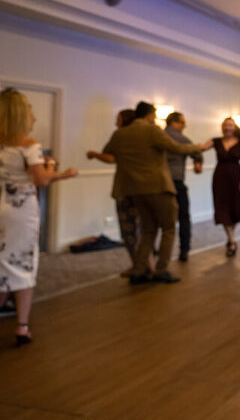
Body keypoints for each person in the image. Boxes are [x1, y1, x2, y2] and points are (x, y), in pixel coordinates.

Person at [0, 88, 78, 345]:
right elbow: (41, 180)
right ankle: (22, 326)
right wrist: (58, 170)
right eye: (31, 111)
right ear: (22, 114)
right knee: (23, 262)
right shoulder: (29, 144)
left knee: (2, 262)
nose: (33, 117)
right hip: (21, 211)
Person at [103, 101, 208, 284]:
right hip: (158, 187)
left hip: (135, 190)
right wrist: (200, 147)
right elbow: (176, 148)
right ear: (151, 115)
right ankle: (161, 269)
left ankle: (138, 270)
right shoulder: (152, 131)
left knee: (148, 230)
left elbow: (108, 153)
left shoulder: (120, 134)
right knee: (168, 228)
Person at [87, 109, 143, 276]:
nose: (115, 123)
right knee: (142, 229)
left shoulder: (120, 135)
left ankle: (137, 267)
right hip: (144, 189)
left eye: (117, 120)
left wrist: (93, 154)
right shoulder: (144, 136)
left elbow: (110, 157)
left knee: (129, 231)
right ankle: (147, 265)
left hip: (126, 189)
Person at [164, 112, 203, 262]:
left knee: (157, 221)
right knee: (183, 217)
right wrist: (198, 163)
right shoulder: (179, 138)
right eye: (182, 122)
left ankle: (154, 252)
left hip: (158, 184)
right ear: (174, 123)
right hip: (174, 182)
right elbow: (196, 150)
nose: (185, 126)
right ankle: (184, 249)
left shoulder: (158, 135)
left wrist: (197, 160)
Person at [212, 117, 240, 257]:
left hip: (236, 177)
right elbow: (199, 148)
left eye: (230, 125)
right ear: (222, 127)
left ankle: (230, 237)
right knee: (222, 208)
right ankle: (232, 241)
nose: (228, 128)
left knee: (235, 208)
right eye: (225, 125)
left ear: (234, 127)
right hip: (220, 178)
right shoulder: (216, 141)